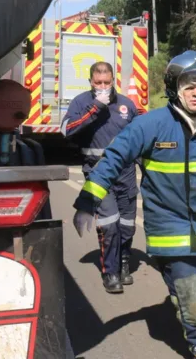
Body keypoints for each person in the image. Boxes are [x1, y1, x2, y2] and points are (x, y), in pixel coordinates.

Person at [72, 50, 196, 359]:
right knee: (192, 293)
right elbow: (113, 159)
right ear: (174, 87)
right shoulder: (150, 124)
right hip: (171, 229)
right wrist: (87, 201)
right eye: (189, 84)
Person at [61, 61, 138, 294]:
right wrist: (95, 108)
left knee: (127, 225)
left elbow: (141, 136)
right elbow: (67, 130)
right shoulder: (82, 102)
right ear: (91, 83)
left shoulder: (126, 105)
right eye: (98, 83)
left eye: (107, 82)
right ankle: (110, 272)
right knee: (109, 223)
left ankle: (124, 262)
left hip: (125, 173)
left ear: (113, 80)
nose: (103, 86)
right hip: (96, 173)